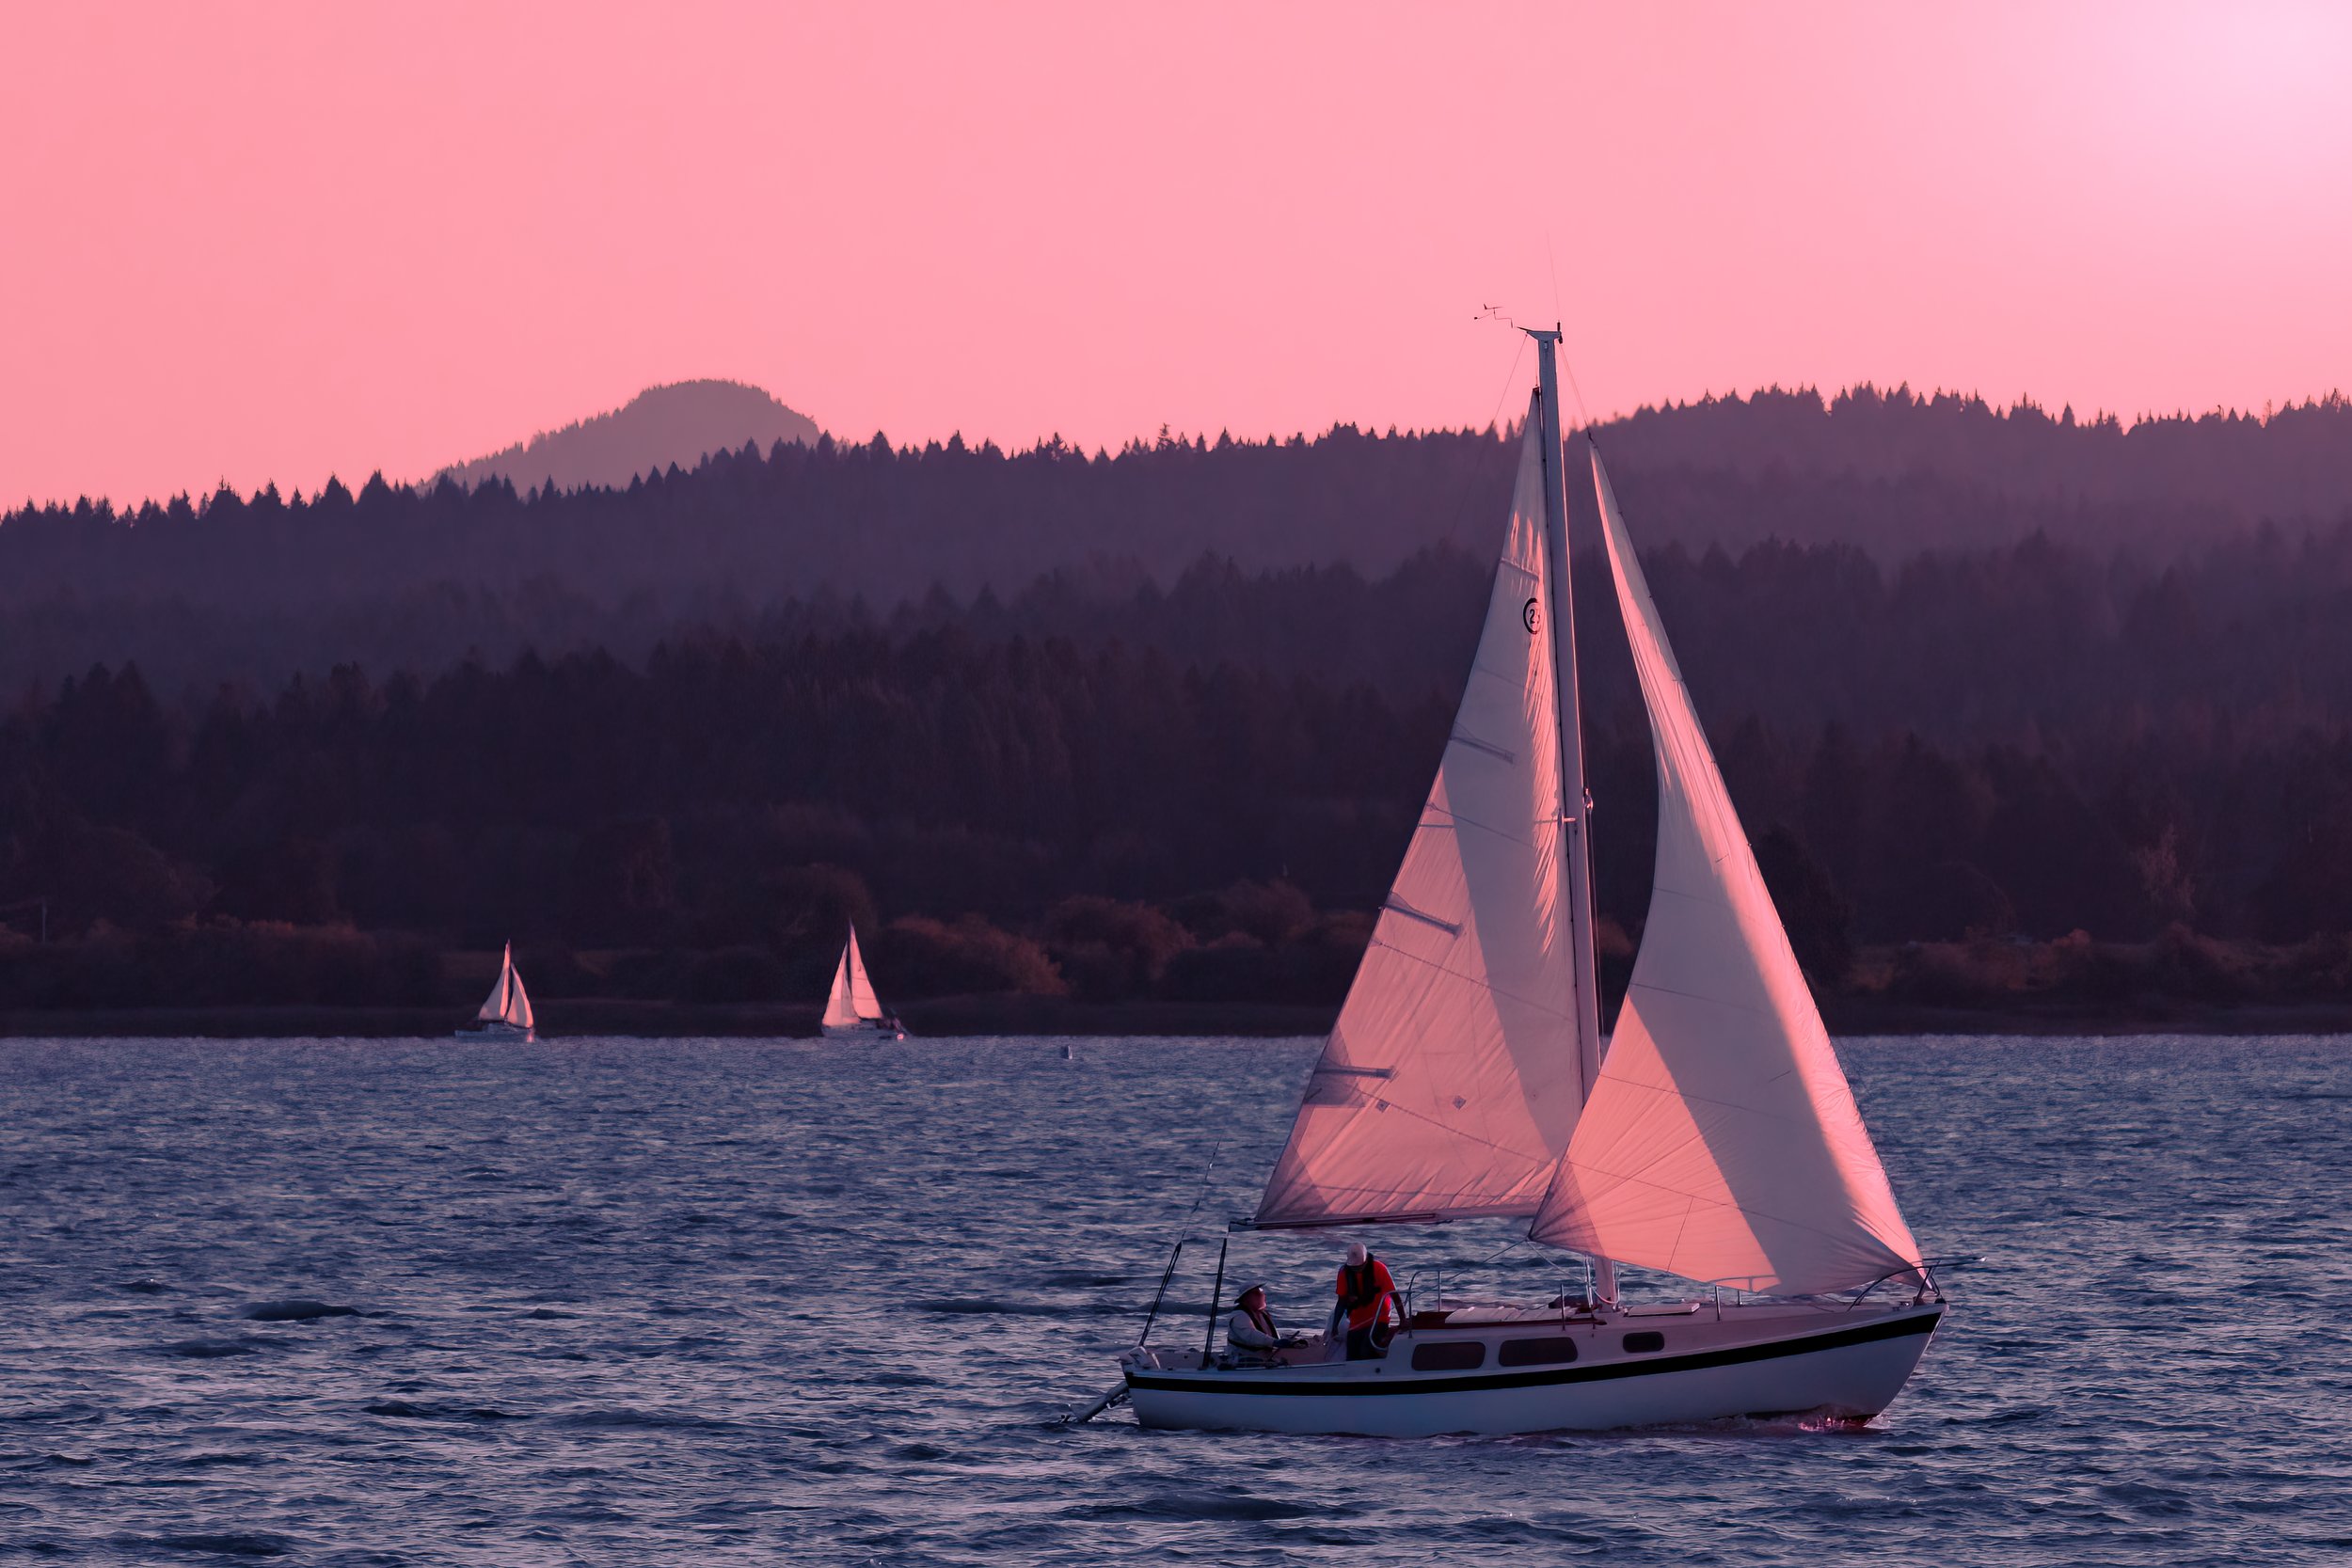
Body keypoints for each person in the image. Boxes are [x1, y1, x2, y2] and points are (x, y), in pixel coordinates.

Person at [1334, 1242, 1398, 1361]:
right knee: (1352, 1357)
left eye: (1360, 1267)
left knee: (1367, 1350)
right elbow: (1341, 1302)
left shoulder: (1379, 1268)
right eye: (1355, 1268)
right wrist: (1334, 1327)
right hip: (1356, 1322)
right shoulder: (1344, 1273)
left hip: (1379, 1319)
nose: (1358, 1270)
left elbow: (1394, 1295)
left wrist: (1403, 1319)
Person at [1224, 1283, 1282, 1366]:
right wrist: (1275, 1342)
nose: (1262, 1295)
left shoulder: (1263, 1314)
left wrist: (1290, 1342)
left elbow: (1271, 1337)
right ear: (1246, 1298)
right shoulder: (1239, 1316)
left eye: (1262, 1292)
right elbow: (1251, 1336)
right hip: (1242, 1361)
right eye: (1257, 1293)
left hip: (1264, 1359)